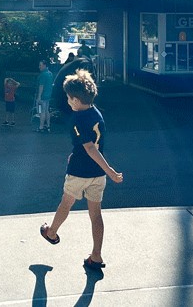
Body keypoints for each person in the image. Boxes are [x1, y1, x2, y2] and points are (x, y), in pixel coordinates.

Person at [39, 69, 123, 270]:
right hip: (97, 174)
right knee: (96, 214)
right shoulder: (96, 112)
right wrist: (105, 171)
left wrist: (110, 170)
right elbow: (92, 144)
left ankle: (51, 232)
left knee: (66, 203)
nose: (68, 101)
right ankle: (96, 256)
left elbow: (89, 147)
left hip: (79, 172)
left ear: (76, 100)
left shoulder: (77, 119)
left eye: (69, 98)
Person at [35, 59, 54, 133]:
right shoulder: (50, 73)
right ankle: (48, 125)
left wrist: (39, 97)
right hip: (48, 95)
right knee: (46, 110)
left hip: (42, 96)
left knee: (41, 111)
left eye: (40, 65)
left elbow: (41, 86)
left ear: (44, 65)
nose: (39, 67)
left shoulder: (43, 75)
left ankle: (41, 127)